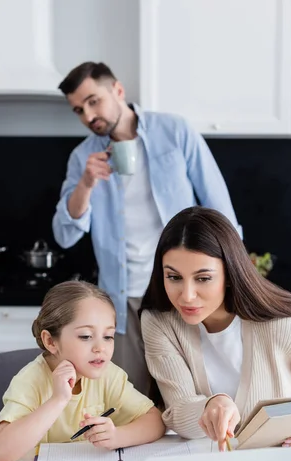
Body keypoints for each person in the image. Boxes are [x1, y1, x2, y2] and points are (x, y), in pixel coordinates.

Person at [52, 61, 241, 396]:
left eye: (94, 101)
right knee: (132, 398)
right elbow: (65, 235)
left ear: (118, 90)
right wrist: (86, 183)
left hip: (181, 292)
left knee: (193, 394)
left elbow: (219, 204)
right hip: (123, 299)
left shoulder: (175, 132)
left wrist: (234, 276)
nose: (88, 115)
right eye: (79, 110)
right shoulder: (83, 158)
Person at [140, 206, 291, 451]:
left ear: (230, 275)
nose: (187, 296)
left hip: (288, 460)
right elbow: (180, 416)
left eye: (203, 278)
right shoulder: (160, 322)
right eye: (174, 277)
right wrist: (212, 405)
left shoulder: (283, 327)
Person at [0, 281, 165, 461]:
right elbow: (3, 453)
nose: (100, 348)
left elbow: (155, 421)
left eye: (108, 336)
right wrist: (58, 400)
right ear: (51, 341)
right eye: (85, 336)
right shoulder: (29, 381)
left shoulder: (108, 375)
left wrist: (117, 436)